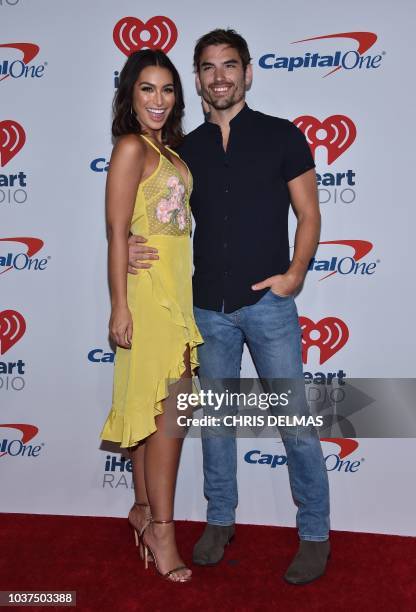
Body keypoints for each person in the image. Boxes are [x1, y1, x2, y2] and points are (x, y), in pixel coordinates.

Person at [128, 29, 330, 585]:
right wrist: (123, 242)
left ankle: (314, 531)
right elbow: (152, 212)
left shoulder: (281, 136)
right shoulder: (183, 149)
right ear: (198, 78)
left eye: (230, 66)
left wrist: (293, 276)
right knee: (216, 424)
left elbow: (309, 214)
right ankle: (219, 521)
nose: (220, 76)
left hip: (267, 305)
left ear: (247, 72)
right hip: (205, 311)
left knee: (294, 421)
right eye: (209, 68)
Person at [100, 49, 203, 583]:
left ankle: (142, 511)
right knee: (170, 417)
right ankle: (162, 527)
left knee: (153, 410)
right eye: (147, 89)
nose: (158, 100)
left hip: (176, 294)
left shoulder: (171, 151)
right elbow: (118, 231)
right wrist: (119, 303)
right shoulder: (130, 147)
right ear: (129, 95)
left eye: (167, 90)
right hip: (148, 299)